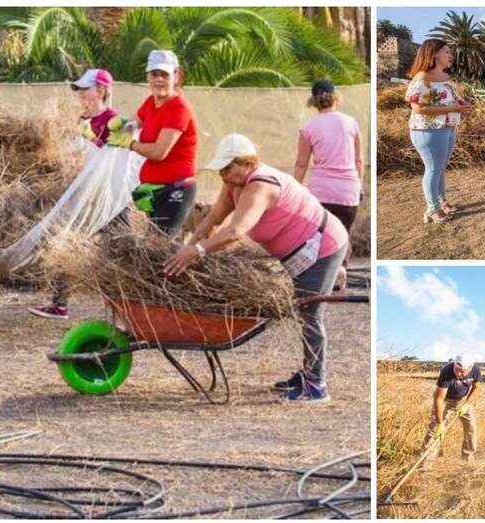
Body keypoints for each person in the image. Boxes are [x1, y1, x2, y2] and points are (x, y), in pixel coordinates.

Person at [165, 133, 348, 402]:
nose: (224, 174)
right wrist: (187, 244)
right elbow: (215, 217)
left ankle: (317, 385)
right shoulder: (234, 184)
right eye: (221, 170)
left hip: (321, 245)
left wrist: (198, 251)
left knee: (310, 313)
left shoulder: (260, 186)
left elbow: (235, 231)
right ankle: (308, 372)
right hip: (297, 253)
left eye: (228, 168)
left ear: (247, 162)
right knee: (302, 311)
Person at [27, 68, 123, 320]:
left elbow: (117, 160)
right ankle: (59, 304)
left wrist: (93, 140)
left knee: (118, 248)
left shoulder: (115, 121)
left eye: (85, 89)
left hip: (106, 198)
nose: (80, 94)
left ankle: (124, 307)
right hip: (80, 193)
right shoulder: (78, 119)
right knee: (64, 241)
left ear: (101, 90)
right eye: (78, 89)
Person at [107, 49, 197, 236]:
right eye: (154, 74)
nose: (159, 79)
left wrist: (129, 144)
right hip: (153, 190)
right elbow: (132, 124)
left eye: (164, 74)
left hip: (176, 190)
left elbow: (159, 152)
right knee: (153, 245)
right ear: (147, 77)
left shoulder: (178, 108)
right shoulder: (150, 103)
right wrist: (120, 125)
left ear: (176, 75)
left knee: (161, 247)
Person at [295, 79, 364, 289]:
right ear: (335, 98)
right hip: (348, 191)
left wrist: (295, 189)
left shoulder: (308, 128)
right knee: (343, 234)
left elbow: (301, 164)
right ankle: (341, 270)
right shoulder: (351, 123)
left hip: (321, 192)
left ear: (314, 102)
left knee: (321, 237)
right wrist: (359, 187)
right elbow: (359, 161)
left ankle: (322, 278)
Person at [405, 38, 473, 223]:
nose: (451, 56)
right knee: (433, 168)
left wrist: (461, 104)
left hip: (447, 129)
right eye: (447, 52)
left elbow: (452, 99)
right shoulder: (422, 78)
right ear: (434, 54)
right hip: (427, 131)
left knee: (440, 168)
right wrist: (453, 109)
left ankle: (441, 202)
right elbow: (418, 108)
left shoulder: (445, 77)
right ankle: (432, 209)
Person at [422, 353, 482, 464]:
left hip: (463, 400)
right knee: (435, 429)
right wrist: (440, 424)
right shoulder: (446, 371)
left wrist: (466, 403)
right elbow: (439, 399)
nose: (458, 373)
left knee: (471, 427)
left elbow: (476, 387)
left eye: (462, 371)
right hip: (446, 401)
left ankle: (468, 457)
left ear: (469, 369)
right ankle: (426, 461)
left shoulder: (476, 370)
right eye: (457, 369)